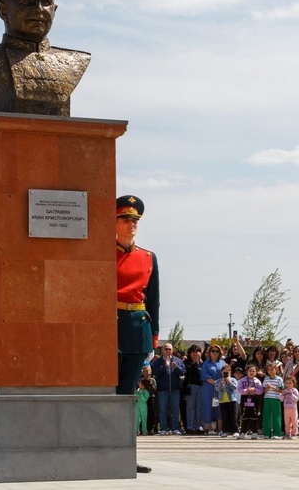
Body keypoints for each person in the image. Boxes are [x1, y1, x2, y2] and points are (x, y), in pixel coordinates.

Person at [113, 194, 159, 473]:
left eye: (135, 221)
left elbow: (153, 299)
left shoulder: (148, 257)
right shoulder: (102, 254)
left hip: (137, 330)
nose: (131, 225)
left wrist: (153, 337)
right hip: (111, 326)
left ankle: (126, 454)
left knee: (128, 397)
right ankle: (106, 450)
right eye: (126, 220)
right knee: (109, 396)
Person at [153, 343, 185, 435]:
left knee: (175, 409)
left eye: (169, 349)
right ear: (162, 350)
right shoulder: (158, 361)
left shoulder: (178, 360)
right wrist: (165, 366)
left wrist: (176, 367)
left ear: (172, 350)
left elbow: (183, 372)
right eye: (166, 349)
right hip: (163, 389)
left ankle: (175, 428)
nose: (168, 351)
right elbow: (156, 372)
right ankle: (163, 428)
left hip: (175, 389)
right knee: (162, 409)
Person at [201, 345, 225, 434]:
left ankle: (220, 428)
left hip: (220, 388)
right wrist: (215, 383)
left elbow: (226, 373)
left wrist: (219, 383)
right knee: (207, 406)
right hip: (208, 387)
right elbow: (204, 375)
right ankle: (210, 428)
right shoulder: (206, 363)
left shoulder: (223, 363)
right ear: (209, 353)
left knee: (220, 407)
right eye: (213, 351)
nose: (215, 353)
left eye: (217, 351)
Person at [237, 365, 263, 439]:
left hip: (254, 398)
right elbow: (239, 389)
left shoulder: (257, 381)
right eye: (250, 371)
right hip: (245, 398)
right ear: (247, 372)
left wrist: (254, 390)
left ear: (256, 372)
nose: (251, 372)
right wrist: (246, 390)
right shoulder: (242, 380)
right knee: (244, 415)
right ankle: (243, 431)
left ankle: (254, 432)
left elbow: (260, 391)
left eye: (253, 371)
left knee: (254, 415)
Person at [182, 345, 204, 434]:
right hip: (191, 386)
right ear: (190, 353)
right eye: (193, 352)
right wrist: (195, 363)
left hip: (201, 386)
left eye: (197, 351)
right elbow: (188, 371)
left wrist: (200, 362)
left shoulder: (203, 363)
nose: (195, 354)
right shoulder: (186, 362)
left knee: (200, 407)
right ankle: (190, 427)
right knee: (190, 407)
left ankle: (199, 426)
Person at [262, 362, 284, 439]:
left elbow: (281, 391)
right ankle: (267, 433)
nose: (270, 371)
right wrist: (267, 388)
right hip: (267, 399)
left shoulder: (279, 379)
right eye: (269, 370)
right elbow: (264, 391)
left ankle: (277, 433)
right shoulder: (266, 379)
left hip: (276, 399)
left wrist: (272, 387)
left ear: (276, 369)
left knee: (276, 416)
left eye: (272, 369)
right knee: (267, 416)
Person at [216, 365, 239, 437]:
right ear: (221, 372)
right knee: (224, 416)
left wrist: (229, 382)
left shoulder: (233, 379)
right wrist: (222, 382)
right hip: (222, 400)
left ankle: (235, 430)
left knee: (233, 416)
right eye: (224, 372)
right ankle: (225, 430)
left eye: (228, 371)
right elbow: (217, 389)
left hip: (232, 400)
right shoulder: (219, 380)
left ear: (230, 372)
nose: (226, 373)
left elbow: (235, 387)